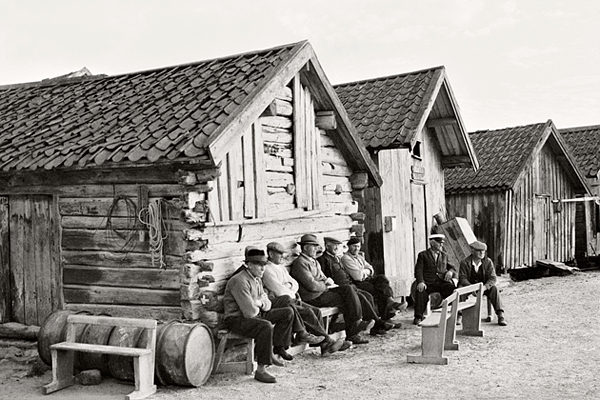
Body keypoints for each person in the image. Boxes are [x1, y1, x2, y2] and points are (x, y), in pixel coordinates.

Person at [262, 241, 346, 356]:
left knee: (316, 311)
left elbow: (294, 284)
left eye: (283, 253)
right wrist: (290, 288)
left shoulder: (280, 267)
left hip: (291, 299)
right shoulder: (267, 269)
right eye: (279, 254)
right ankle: (327, 341)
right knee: (308, 312)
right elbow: (279, 291)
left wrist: (289, 287)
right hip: (280, 303)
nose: (282, 256)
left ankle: (324, 346)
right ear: (271, 254)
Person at [223, 247, 294, 383]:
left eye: (264, 265)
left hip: (254, 314)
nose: (263, 269)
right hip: (236, 319)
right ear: (249, 265)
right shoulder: (239, 280)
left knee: (287, 313)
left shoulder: (257, 279)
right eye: (259, 265)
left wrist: (259, 303)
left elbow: (267, 304)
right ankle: (261, 370)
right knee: (265, 326)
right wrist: (260, 304)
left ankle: (274, 349)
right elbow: (249, 312)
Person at [290, 234, 375, 345]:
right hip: (313, 297)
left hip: (322, 292)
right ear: (305, 248)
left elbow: (324, 278)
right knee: (348, 297)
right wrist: (325, 284)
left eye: (317, 246)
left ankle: (355, 328)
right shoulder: (300, 263)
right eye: (313, 246)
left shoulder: (313, 261)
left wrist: (326, 282)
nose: (316, 249)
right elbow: (312, 285)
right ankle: (354, 328)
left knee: (350, 292)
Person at [318, 237, 400, 336]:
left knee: (368, 295)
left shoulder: (336, 258)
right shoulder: (323, 260)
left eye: (338, 245)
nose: (336, 247)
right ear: (327, 246)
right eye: (334, 245)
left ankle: (376, 325)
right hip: (339, 288)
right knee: (359, 298)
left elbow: (369, 268)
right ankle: (374, 324)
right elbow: (324, 277)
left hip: (348, 286)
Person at [341, 236, 407, 320]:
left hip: (366, 279)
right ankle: (385, 316)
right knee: (377, 290)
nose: (356, 249)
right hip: (357, 283)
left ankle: (390, 301)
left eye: (358, 246)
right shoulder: (346, 258)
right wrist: (366, 271)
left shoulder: (359, 257)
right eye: (354, 246)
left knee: (382, 279)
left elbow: (371, 269)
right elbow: (357, 276)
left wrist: (364, 271)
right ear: (349, 247)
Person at [413, 233, 458, 325]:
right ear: (432, 243)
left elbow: (453, 267)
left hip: (441, 282)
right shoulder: (423, 255)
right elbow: (419, 270)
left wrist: (450, 272)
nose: (442, 245)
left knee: (452, 290)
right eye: (439, 243)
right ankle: (418, 316)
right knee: (421, 292)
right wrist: (421, 282)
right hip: (428, 283)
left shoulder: (444, 255)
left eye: (442, 243)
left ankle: (454, 315)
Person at [458, 240, 507, 326]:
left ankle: (500, 315)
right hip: (469, 286)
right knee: (460, 289)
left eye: (483, 251)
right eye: (479, 251)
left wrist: (484, 287)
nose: (482, 253)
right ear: (472, 251)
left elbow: (492, 278)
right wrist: (471, 288)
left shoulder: (488, 262)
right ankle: (459, 314)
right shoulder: (464, 262)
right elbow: (462, 278)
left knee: (494, 289)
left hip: (484, 286)